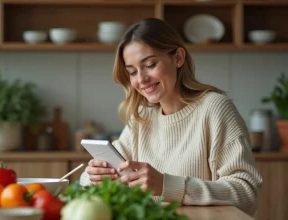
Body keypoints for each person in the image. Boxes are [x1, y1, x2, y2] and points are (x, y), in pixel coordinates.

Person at [80, 17, 262, 216]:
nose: (141, 79)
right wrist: (96, 176)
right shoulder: (143, 117)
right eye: (132, 72)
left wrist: (168, 185)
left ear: (178, 58)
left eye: (150, 64)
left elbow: (246, 193)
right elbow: (90, 179)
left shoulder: (215, 108)